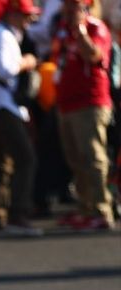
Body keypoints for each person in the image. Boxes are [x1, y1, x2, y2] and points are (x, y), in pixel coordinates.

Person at [0, 0, 43, 235]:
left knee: (1, 162)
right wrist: (27, 62)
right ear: (13, 15)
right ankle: (18, 214)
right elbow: (5, 69)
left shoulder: (2, 34)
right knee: (26, 158)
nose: (29, 21)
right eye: (26, 16)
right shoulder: (2, 36)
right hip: (1, 107)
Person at [53, 0, 117, 230]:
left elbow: (93, 56)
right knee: (76, 160)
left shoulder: (95, 28)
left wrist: (81, 33)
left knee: (93, 158)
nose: (69, 11)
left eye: (75, 7)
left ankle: (102, 210)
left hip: (90, 103)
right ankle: (86, 209)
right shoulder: (63, 31)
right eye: (67, 7)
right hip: (67, 104)